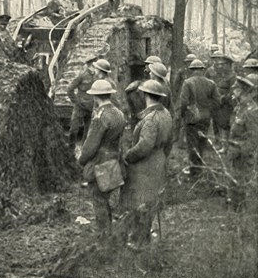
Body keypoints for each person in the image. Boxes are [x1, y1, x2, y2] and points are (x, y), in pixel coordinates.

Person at [122, 80, 172, 249]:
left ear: (144, 95)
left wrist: (128, 156)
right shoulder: (165, 113)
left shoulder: (150, 119)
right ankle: (145, 237)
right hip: (158, 160)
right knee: (151, 200)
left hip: (145, 166)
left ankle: (139, 242)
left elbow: (144, 146)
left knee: (142, 202)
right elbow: (169, 143)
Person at [78, 80, 126, 234]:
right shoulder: (119, 113)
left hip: (100, 162)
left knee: (98, 199)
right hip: (114, 159)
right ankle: (109, 232)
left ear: (96, 97)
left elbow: (91, 145)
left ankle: (104, 236)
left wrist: (82, 160)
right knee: (106, 198)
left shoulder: (100, 116)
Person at [178, 60, 221, 178]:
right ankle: (199, 168)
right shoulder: (211, 83)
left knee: (192, 144)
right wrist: (207, 109)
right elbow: (218, 101)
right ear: (202, 69)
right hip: (205, 118)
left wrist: (183, 114)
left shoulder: (187, 82)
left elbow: (183, 102)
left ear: (191, 70)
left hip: (192, 118)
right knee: (202, 142)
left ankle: (195, 172)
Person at [226, 75, 258, 211]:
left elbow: (254, 137)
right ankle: (236, 208)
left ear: (242, 91)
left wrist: (242, 153)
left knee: (241, 183)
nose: (233, 92)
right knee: (234, 181)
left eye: (236, 89)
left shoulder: (252, 111)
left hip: (242, 155)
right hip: (234, 151)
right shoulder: (240, 107)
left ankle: (242, 213)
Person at [206, 52, 236, 152]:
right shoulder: (223, 75)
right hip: (219, 104)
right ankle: (221, 143)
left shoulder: (232, 76)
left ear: (228, 65)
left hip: (227, 105)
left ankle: (226, 146)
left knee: (225, 125)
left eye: (223, 64)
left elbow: (233, 92)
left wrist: (223, 99)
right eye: (220, 64)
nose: (221, 66)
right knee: (218, 123)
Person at [67, 55, 97, 144]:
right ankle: (71, 148)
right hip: (80, 106)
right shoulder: (82, 76)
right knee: (74, 128)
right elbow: (69, 89)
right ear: (91, 64)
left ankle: (84, 149)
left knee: (88, 131)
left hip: (91, 107)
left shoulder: (98, 76)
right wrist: (77, 102)